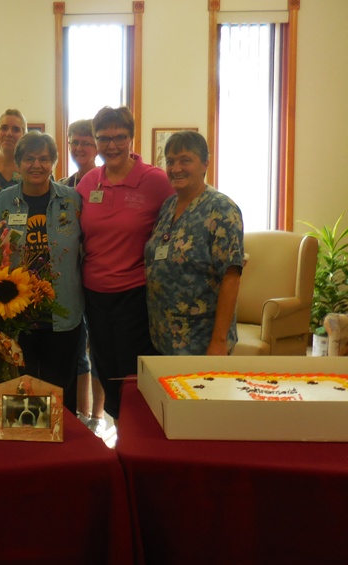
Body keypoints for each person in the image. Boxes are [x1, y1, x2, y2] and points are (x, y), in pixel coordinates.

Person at [77, 106, 175, 422]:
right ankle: (119, 429)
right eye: (104, 138)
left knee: (132, 372)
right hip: (94, 294)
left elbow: (183, 219)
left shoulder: (155, 181)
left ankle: (136, 433)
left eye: (120, 137)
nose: (112, 145)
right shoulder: (88, 182)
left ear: (131, 138)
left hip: (135, 295)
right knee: (105, 367)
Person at [0, 131, 83, 415]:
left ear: (54, 162)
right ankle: (27, 438)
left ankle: (66, 437)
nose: (37, 165)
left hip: (63, 311)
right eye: (29, 159)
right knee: (23, 388)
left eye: (44, 159)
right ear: (17, 163)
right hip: (18, 314)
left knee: (62, 389)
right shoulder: (3, 202)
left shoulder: (72, 200)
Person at [145, 130, 244, 355]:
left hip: (201, 341)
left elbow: (231, 277)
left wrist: (219, 341)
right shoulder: (168, 206)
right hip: (162, 337)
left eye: (185, 160)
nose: (176, 168)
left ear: (205, 164)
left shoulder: (222, 210)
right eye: (170, 161)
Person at [58, 119, 106, 434]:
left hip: (100, 276)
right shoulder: (64, 185)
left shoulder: (104, 182)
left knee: (97, 349)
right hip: (69, 279)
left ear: (97, 146)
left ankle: (97, 416)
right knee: (76, 348)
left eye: (86, 142)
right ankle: (78, 413)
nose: (79, 148)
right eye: (74, 142)